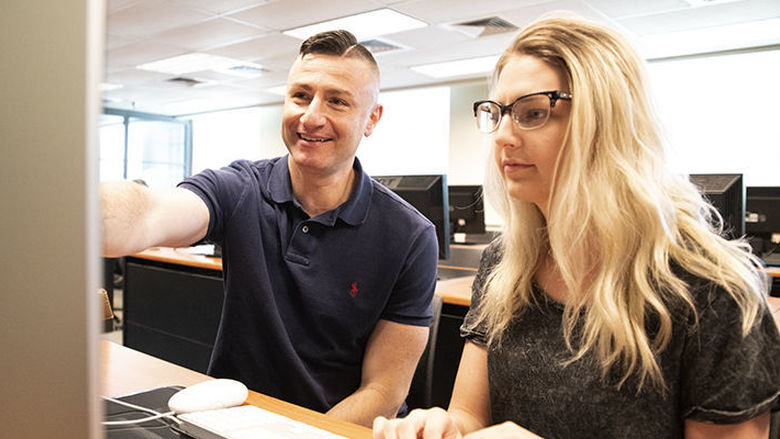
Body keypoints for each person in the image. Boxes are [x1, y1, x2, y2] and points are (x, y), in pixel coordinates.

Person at [373, 14, 780, 439]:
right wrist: (439, 426)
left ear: (605, 122)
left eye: (532, 113)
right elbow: (470, 418)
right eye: (498, 113)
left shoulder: (709, 289)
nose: (501, 136)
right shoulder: (506, 264)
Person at [101, 30, 439, 427]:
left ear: (372, 119)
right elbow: (146, 212)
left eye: (337, 101)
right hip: (233, 423)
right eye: (301, 95)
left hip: (336, 431)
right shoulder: (242, 187)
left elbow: (383, 392)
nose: (312, 116)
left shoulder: (411, 235)